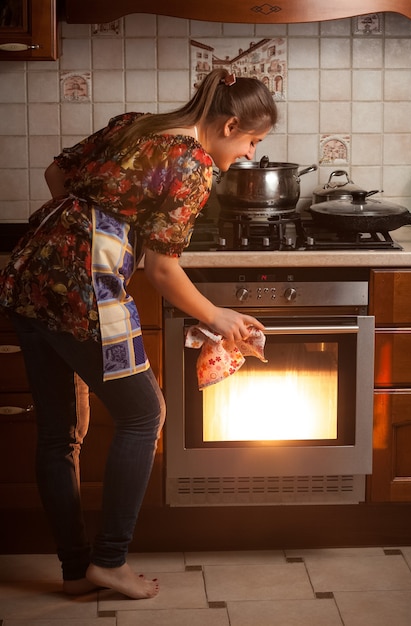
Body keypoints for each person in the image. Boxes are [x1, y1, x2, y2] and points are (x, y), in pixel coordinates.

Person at [0, 69, 277, 599]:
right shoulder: (192, 165)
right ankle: (110, 561)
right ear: (231, 124)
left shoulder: (136, 125)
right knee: (145, 413)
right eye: (251, 143)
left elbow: (56, 174)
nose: (247, 155)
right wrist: (217, 316)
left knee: (59, 435)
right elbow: (162, 270)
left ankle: (76, 570)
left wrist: (91, 225)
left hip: (30, 271)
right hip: (84, 289)